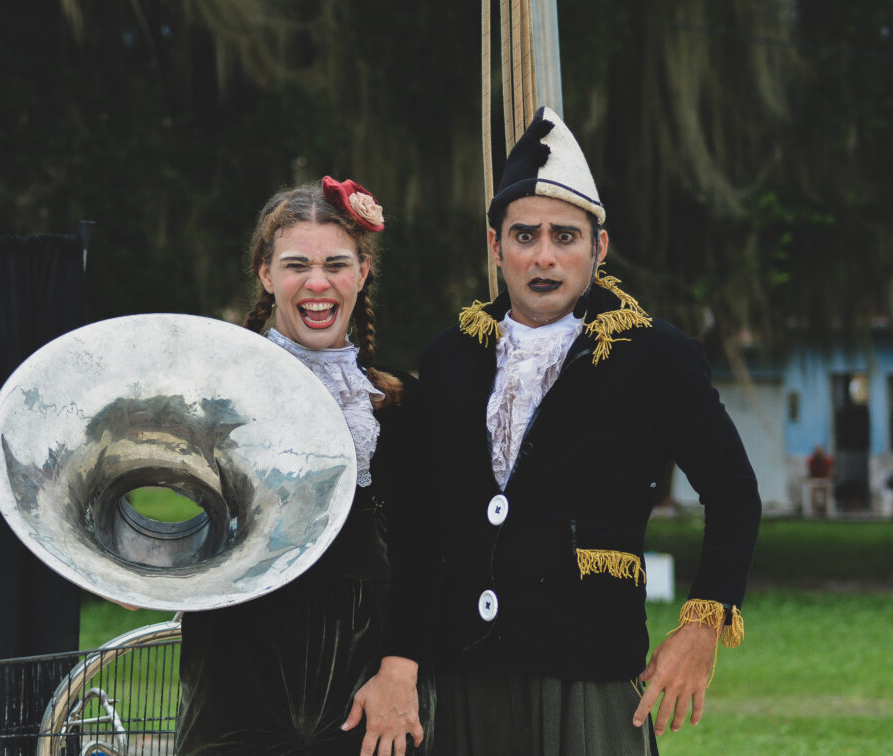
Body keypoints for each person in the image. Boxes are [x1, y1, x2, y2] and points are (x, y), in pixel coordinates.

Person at [405, 108, 762, 754]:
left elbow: (734, 491)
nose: (544, 257)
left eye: (565, 237)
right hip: (464, 680)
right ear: (495, 246)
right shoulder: (448, 356)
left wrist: (702, 626)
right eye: (524, 235)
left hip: (590, 679)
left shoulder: (656, 356)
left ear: (599, 247)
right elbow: (421, 522)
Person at [175, 177, 432, 755]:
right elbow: (192, 532)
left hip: (368, 699)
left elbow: (425, 552)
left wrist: (400, 672)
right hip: (232, 696)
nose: (317, 283)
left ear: (362, 272)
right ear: (267, 275)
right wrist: (134, 564)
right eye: (297, 265)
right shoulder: (219, 402)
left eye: (336, 264)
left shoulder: (402, 407)